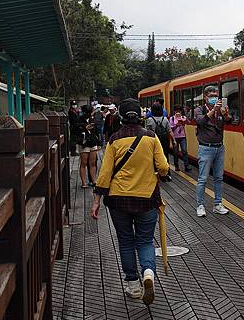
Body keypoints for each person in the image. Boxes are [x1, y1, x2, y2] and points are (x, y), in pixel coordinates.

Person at [90, 98, 169, 305]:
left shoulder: (114, 140)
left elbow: (105, 173)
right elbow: (163, 167)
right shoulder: (151, 138)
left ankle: (133, 285)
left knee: (126, 241)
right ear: (141, 116)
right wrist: (157, 172)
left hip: (118, 200)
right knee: (144, 240)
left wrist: (96, 200)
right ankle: (149, 272)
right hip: (147, 199)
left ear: (121, 118)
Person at [194, 85, 231, 217]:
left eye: (216, 96)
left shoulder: (220, 110)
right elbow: (200, 121)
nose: (214, 98)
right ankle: (200, 205)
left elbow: (229, 121)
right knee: (202, 179)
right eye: (211, 96)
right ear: (205, 97)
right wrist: (212, 111)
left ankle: (218, 204)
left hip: (219, 148)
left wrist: (226, 114)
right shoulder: (199, 109)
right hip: (206, 148)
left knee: (219, 178)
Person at [76, 104, 100, 188]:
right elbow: (74, 129)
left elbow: (96, 131)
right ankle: (84, 182)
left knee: (93, 163)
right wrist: (85, 127)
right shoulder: (79, 119)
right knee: (83, 163)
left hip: (93, 142)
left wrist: (99, 143)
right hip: (84, 143)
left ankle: (93, 180)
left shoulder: (92, 119)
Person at [169, 105, 191, 172]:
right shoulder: (172, 118)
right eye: (177, 111)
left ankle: (186, 166)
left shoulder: (183, 117)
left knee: (184, 151)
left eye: (179, 111)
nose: (178, 112)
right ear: (175, 111)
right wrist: (176, 125)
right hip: (175, 137)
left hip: (182, 136)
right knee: (175, 152)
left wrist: (185, 120)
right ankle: (176, 166)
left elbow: (189, 123)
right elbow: (170, 128)